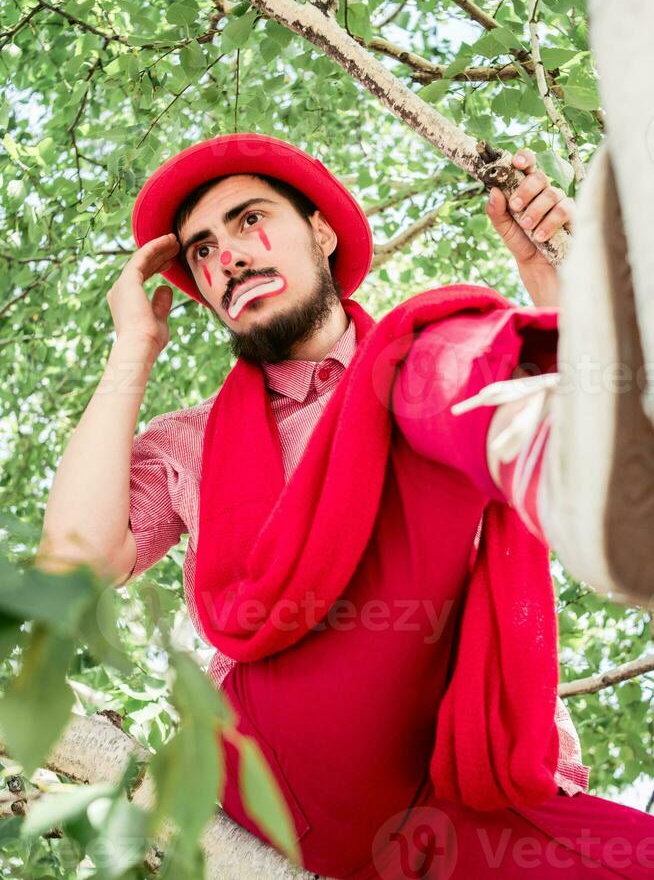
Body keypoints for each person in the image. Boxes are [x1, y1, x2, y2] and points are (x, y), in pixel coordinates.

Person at [37, 134, 653, 878]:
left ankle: (544, 444)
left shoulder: (432, 365)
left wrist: (554, 277)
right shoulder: (191, 441)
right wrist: (132, 348)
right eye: (200, 251)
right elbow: (74, 563)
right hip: (289, 768)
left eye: (247, 220)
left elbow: (617, 394)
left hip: (469, 781)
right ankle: (542, 446)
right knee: (413, 344)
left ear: (321, 232)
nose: (223, 258)